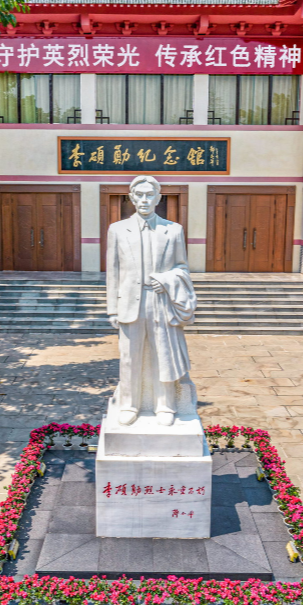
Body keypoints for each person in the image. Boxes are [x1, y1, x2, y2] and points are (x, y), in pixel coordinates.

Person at [104, 175, 198, 425]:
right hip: (129, 303)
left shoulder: (173, 230)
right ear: (131, 198)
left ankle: (165, 406)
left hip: (161, 301)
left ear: (158, 198)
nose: (144, 200)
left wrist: (166, 280)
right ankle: (129, 405)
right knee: (129, 357)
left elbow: (182, 267)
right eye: (139, 195)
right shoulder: (117, 229)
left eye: (149, 195)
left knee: (163, 355)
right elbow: (113, 272)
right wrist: (112, 309)